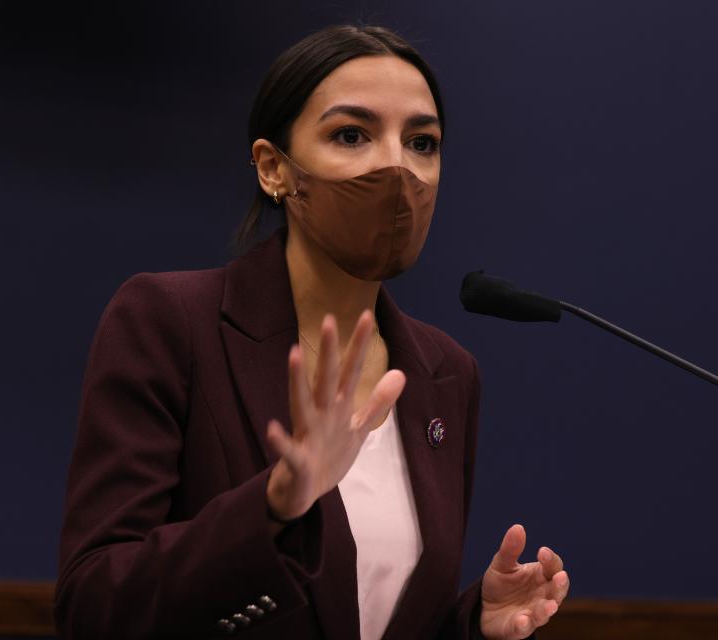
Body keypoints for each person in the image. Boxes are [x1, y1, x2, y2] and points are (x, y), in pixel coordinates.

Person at [55, 24, 569, 640]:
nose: (396, 166)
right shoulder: (168, 322)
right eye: (352, 135)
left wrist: (471, 625)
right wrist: (272, 504)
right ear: (273, 167)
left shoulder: (447, 371)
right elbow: (92, 606)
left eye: (422, 142)